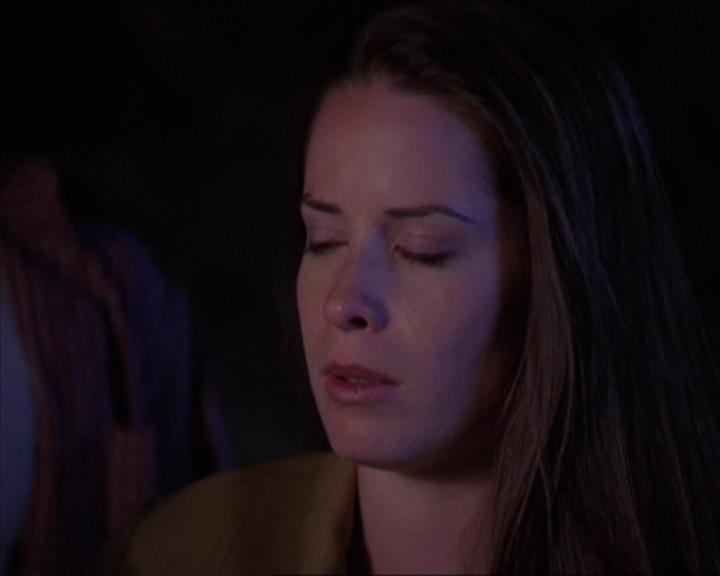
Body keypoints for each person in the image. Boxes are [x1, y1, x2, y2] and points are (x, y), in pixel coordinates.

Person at [96, 1, 720, 573]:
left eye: (422, 250)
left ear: (555, 279)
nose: (344, 302)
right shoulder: (178, 555)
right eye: (323, 240)